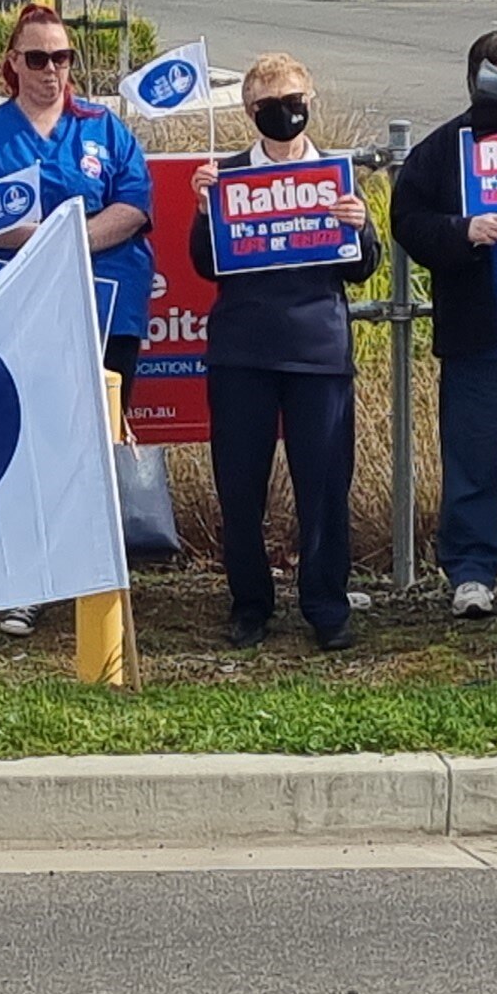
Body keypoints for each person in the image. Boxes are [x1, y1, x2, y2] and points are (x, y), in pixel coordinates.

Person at [0, 3, 159, 638]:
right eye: (37, 58)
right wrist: (36, 240)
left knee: (96, 441)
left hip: (103, 307)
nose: (51, 71)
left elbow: (136, 205)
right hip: (16, 314)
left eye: (62, 58)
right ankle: (28, 582)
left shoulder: (105, 129)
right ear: (12, 63)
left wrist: (72, 237)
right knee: (25, 444)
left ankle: (99, 579)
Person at [191, 52, 380, 651]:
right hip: (242, 352)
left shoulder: (335, 176)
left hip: (317, 351)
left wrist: (362, 225)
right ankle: (249, 603)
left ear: (311, 99)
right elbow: (204, 264)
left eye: (295, 101)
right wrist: (203, 213)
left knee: (323, 486)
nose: (286, 113)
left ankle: (326, 605)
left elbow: (363, 270)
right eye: (271, 106)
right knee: (239, 485)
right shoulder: (225, 176)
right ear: (250, 113)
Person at [391, 29, 497, 619]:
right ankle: (473, 573)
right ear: (474, 80)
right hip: (482, 337)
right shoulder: (444, 148)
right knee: (473, 461)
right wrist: (463, 231)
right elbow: (407, 217)